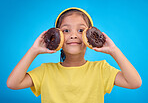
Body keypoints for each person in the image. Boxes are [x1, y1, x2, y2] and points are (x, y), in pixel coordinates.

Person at [7, 7, 142, 103]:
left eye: (80, 30)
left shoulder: (101, 69)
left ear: (90, 36)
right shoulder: (45, 71)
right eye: (66, 30)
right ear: (56, 37)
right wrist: (34, 50)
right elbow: (13, 84)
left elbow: (135, 82)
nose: (73, 35)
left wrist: (114, 50)